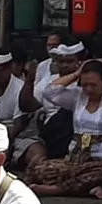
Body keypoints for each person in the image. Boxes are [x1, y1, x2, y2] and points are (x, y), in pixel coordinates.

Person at [27, 60, 102, 199]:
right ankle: (92, 188)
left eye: (94, 85)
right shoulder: (77, 97)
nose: (89, 89)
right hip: (77, 159)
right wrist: (77, 73)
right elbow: (49, 92)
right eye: (85, 85)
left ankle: (58, 189)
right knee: (40, 170)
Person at [18, 42, 85, 170]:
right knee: (37, 159)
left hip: (75, 136)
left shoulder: (85, 83)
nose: (64, 65)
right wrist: (30, 80)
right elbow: (27, 106)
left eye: (69, 61)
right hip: (47, 135)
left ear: (79, 63)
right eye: (61, 61)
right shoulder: (48, 81)